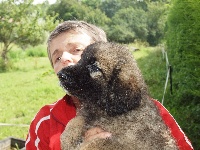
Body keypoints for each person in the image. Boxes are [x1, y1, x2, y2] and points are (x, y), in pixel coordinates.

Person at [25, 20, 193, 150]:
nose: (65, 59)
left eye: (76, 50)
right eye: (57, 58)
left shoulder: (154, 111)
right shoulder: (46, 121)